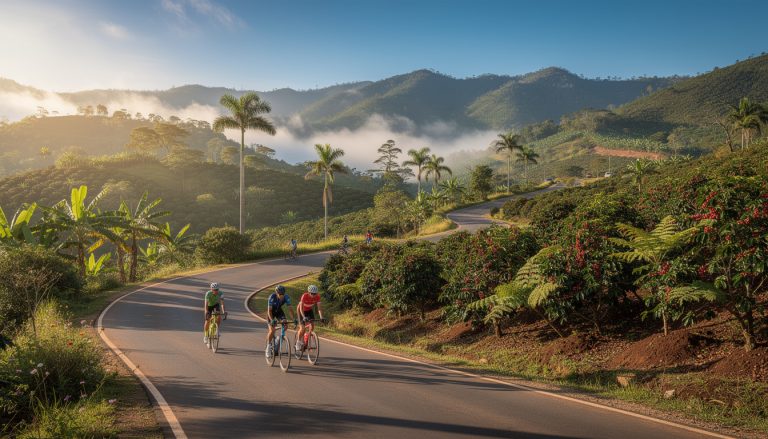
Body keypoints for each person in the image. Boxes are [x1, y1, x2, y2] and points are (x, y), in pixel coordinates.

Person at [265, 285, 297, 358]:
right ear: (276, 293)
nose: (281, 296)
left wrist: (293, 319)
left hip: (279, 312)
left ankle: (278, 339)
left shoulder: (286, 297)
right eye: (280, 294)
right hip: (271, 313)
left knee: (285, 325)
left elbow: (290, 309)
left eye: (282, 294)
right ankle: (268, 347)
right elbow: (269, 311)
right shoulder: (272, 297)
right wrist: (272, 320)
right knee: (272, 330)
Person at [295, 284, 324, 351]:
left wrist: (321, 317)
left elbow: (319, 308)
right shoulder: (304, 296)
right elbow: (301, 309)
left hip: (309, 310)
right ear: (308, 292)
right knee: (302, 328)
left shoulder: (317, 297)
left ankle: (306, 336)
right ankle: (298, 342)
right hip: (301, 310)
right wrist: (304, 317)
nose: (313, 295)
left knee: (312, 326)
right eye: (312, 293)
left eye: (315, 294)